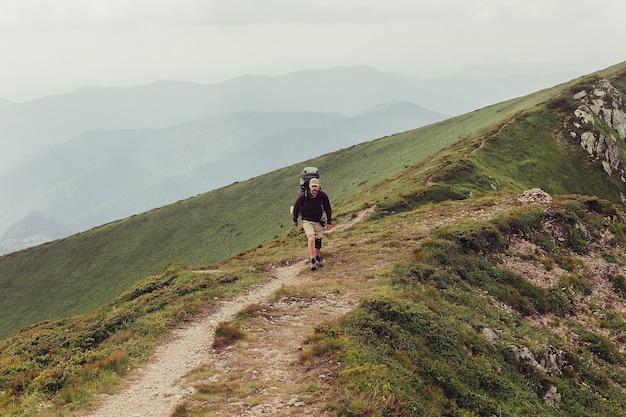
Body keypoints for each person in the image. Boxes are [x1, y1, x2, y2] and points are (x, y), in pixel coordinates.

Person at [292, 177, 332, 270]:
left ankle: (317, 258)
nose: (314, 188)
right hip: (307, 220)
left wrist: (329, 222)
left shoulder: (323, 196)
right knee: (311, 238)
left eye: (316, 186)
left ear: (319, 187)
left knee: (318, 240)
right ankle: (312, 260)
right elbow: (296, 207)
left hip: (318, 220)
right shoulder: (303, 196)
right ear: (309, 187)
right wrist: (295, 220)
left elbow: (328, 208)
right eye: (312, 186)